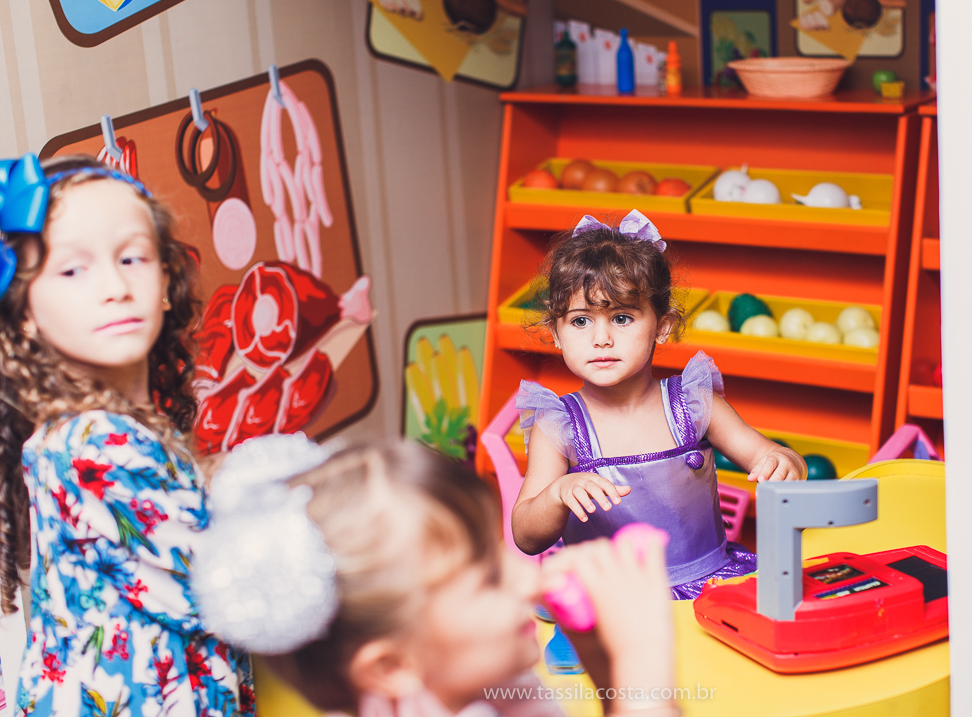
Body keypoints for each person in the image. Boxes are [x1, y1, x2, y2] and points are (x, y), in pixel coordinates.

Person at [0, 156, 252, 715]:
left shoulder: (90, 429)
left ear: (165, 281)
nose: (114, 287)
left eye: (132, 258)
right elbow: (231, 587)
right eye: (73, 270)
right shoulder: (94, 440)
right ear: (25, 312)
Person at [191, 436, 679, 717]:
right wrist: (645, 661)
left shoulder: (478, 683)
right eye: (490, 579)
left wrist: (603, 660)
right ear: (391, 667)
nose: (531, 581)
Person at [511, 210, 805, 599]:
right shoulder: (559, 425)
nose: (601, 338)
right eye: (581, 321)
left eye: (621, 318)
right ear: (556, 333)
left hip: (709, 587)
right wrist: (557, 493)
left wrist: (785, 463)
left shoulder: (693, 403)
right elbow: (526, 536)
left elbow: (773, 457)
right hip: (610, 603)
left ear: (662, 327)